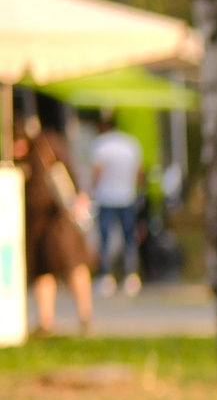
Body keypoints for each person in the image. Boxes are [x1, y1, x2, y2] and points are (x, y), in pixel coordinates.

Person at [18, 114, 95, 336]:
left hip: (59, 218)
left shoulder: (47, 145)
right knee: (43, 270)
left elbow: (70, 171)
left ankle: (85, 315)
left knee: (73, 265)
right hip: (37, 221)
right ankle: (46, 321)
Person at [87, 115, 146, 296]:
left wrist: (92, 191)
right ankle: (131, 276)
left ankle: (106, 276)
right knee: (129, 239)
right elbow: (139, 172)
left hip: (106, 198)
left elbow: (97, 172)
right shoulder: (131, 144)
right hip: (127, 197)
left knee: (105, 240)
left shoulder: (101, 144)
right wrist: (138, 191)